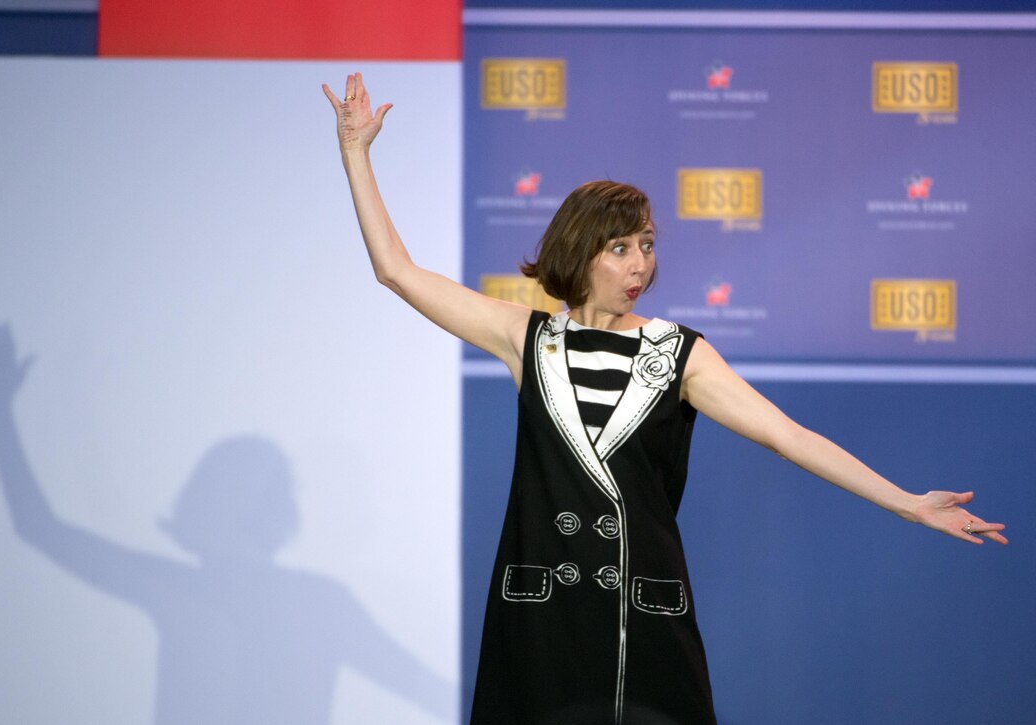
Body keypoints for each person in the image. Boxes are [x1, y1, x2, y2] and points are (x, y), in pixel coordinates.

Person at [322, 73, 1007, 725]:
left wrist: (908, 502)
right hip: (542, 621)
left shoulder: (677, 353)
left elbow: (787, 435)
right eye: (621, 247)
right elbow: (397, 271)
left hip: (642, 622)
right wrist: (356, 153)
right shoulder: (525, 337)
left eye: (646, 245)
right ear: (580, 250)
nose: (641, 263)